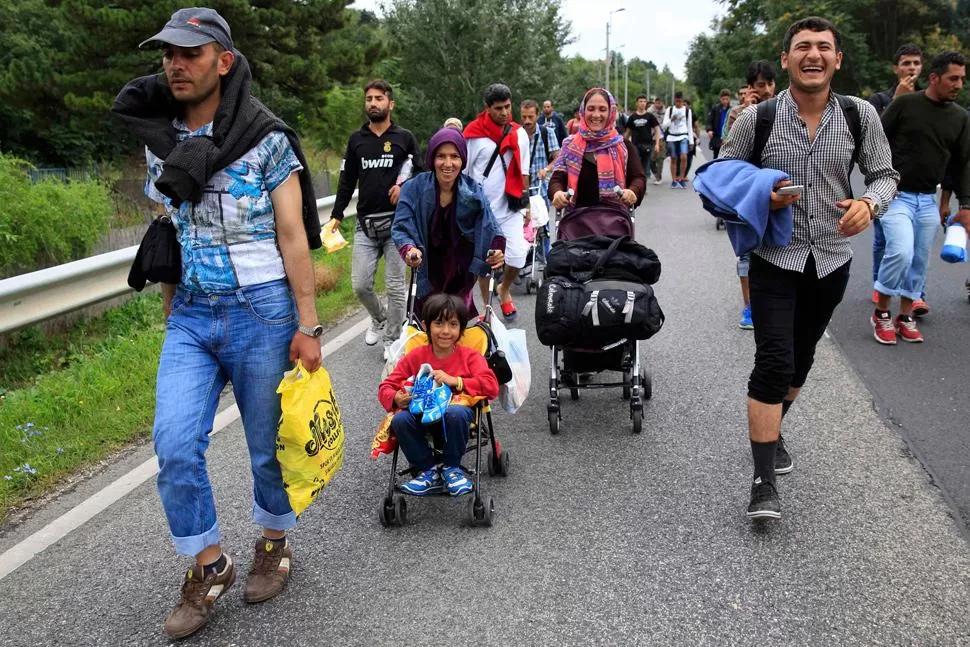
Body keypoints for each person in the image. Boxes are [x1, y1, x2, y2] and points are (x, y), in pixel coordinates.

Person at [112, 7, 324, 639]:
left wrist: (308, 326)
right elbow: (171, 231)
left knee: (266, 448)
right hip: (192, 317)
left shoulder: (267, 140)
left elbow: (294, 237)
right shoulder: (163, 142)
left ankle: (274, 544)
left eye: (191, 54)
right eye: (168, 55)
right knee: (174, 444)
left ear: (223, 62)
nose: (176, 65)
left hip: (262, 310)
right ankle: (210, 564)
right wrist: (171, 308)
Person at [719, 16, 898, 521]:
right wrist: (761, 195)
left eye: (823, 47)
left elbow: (885, 175)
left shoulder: (860, 115)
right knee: (773, 361)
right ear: (786, 58)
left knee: (800, 362)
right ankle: (762, 482)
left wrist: (870, 203)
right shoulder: (758, 119)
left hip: (832, 261)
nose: (813, 54)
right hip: (774, 257)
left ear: (837, 59)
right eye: (803, 46)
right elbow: (718, 180)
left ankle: (774, 430)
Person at [872, 51, 970, 344]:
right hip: (895, 195)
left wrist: (962, 206)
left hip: (927, 199)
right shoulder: (904, 103)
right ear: (934, 78)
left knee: (918, 261)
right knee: (900, 251)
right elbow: (875, 139)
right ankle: (881, 313)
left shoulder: (961, 118)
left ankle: (906, 316)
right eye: (953, 78)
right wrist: (873, 183)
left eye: (962, 79)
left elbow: (962, 163)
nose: (959, 85)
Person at [329, 80, 420, 354]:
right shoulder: (357, 140)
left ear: (390, 103)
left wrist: (404, 187)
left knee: (395, 286)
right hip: (365, 224)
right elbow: (347, 180)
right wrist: (336, 216)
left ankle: (392, 340)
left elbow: (421, 172)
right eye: (369, 98)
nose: (373, 103)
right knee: (360, 285)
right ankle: (380, 317)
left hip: (397, 224)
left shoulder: (404, 138)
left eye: (379, 98)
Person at [378, 294, 500, 496]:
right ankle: (429, 471)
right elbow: (387, 386)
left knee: (455, 412)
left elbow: (491, 386)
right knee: (399, 420)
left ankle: (452, 468)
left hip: (457, 416)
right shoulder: (415, 357)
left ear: (461, 329)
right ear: (426, 326)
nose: (445, 331)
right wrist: (396, 398)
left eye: (453, 325)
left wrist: (456, 381)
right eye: (439, 324)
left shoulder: (470, 356)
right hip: (420, 414)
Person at [392, 128, 506, 316]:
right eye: (441, 156)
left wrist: (496, 251)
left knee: (453, 326)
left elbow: (490, 226)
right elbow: (401, 226)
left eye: (454, 157)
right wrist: (409, 249)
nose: (448, 163)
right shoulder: (413, 188)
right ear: (431, 159)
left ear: (462, 160)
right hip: (426, 266)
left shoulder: (473, 191)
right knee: (428, 325)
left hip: (461, 270)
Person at [463, 83, 531, 320]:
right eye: (498, 108)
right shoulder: (473, 134)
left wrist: (527, 204)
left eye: (508, 107)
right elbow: (466, 171)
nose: (504, 112)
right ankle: (487, 307)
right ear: (487, 108)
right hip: (482, 210)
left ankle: (504, 289)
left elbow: (524, 171)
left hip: (510, 206)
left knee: (517, 257)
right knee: (486, 261)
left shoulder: (519, 134)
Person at [868, 44, 926, 313]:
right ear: (896, 68)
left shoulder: (930, 100)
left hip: (919, 181)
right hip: (885, 181)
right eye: (906, 63)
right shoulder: (880, 100)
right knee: (885, 241)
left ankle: (915, 294)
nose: (911, 68)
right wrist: (897, 101)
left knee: (916, 244)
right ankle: (880, 285)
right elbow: (873, 136)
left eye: (916, 63)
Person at [728, 61, 778, 331]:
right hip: (747, 192)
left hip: (778, 190)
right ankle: (750, 306)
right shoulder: (738, 114)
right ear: (750, 87)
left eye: (771, 84)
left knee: (779, 247)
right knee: (747, 253)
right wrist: (749, 111)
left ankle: (777, 301)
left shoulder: (785, 109)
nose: (768, 89)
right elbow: (728, 150)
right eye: (761, 85)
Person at [549, 87, 646, 210]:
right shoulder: (569, 145)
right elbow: (556, 180)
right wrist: (557, 193)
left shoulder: (624, 146)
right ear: (583, 111)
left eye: (602, 109)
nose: (596, 115)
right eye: (590, 109)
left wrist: (633, 191)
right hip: (576, 222)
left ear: (611, 112)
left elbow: (638, 178)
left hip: (615, 221)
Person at [520, 99, 560, 204]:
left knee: (542, 220)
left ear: (537, 115)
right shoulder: (516, 135)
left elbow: (558, 158)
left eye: (531, 117)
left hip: (540, 190)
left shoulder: (547, 133)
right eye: (524, 117)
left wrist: (546, 169)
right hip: (521, 190)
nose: (527, 121)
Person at [625, 94, 662, 190]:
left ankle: (642, 186)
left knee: (645, 167)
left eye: (644, 101)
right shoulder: (632, 117)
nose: (642, 103)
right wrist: (623, 144)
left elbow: (657, 129)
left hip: (647, 145)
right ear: (637, 103)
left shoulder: (650, 116)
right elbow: (628, 133)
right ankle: (637, 186)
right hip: (635, 145)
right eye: (640, 101)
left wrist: (657, 144)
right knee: (637, 166)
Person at [661, 91, 695, 188]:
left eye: (680, 101)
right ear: (674, 101)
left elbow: (689, 127)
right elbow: (664, 126)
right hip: (672, 136)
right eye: (676, 101)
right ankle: (674, 180)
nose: (678, 103)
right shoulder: (670, 110)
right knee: (673, 158)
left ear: (683, 101)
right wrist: (671, 119)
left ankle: (681, 178)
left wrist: (691, 141)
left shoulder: (687, 111)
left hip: (683, 136)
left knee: (684, 157)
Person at [706, 89, 732, 159]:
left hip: (728, 138)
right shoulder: (715, 109)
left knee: (726, 158)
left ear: (729, 99)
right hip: (717, 137)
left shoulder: (732, 110)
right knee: (716, 157)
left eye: (726, 99)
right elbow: (709, 121)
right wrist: (709, 130)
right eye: (723, 99)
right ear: (720, 99)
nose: (725, 101)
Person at [647, 96, 667, 184]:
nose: (658, 105)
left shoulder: (666, 113)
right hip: (651, 138)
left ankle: (659, 177)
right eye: (656, 103)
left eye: (660, 103)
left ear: (662, 103)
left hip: (662, 137)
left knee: (660, 158)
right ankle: (655, 173)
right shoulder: (649, 112)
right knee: (651, 159)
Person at [683, 98, 702, 177]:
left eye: (685, 105)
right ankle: (679, 173)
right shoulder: (677, 112)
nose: (683, 106)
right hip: (680, 137)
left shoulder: (692, 114)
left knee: (689, 156)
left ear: (688, 106)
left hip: (691, 137)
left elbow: (697, 126)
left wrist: (698, 138)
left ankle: (685, 174)